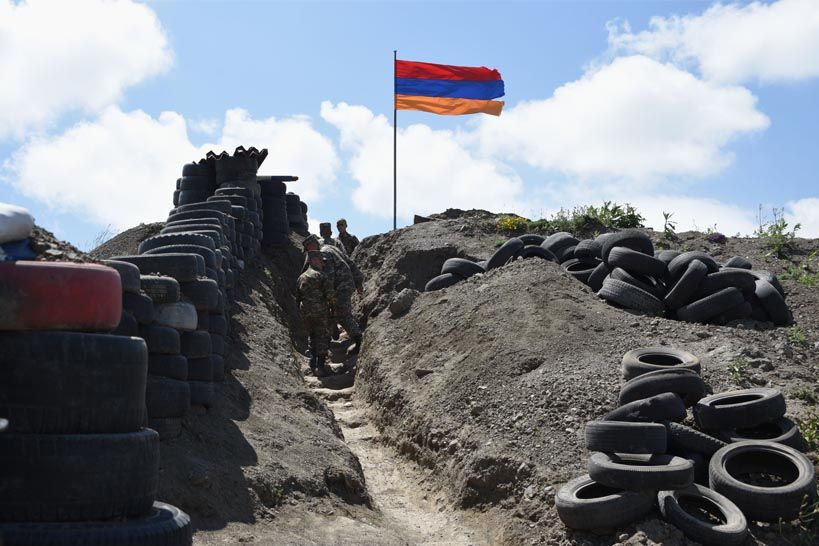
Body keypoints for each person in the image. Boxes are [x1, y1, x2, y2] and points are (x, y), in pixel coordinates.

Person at [302, 234, 364, 352]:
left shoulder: (323, 253)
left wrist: (327, 296)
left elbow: (328, 278)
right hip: (346, 284)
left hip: (341, 287)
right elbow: (350, 262)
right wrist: (358, 281)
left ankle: (359, 340)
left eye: (308, 249)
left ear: (313, 245)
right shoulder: (331, 247)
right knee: (339, 313)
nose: (309, 252)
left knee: (342, 314)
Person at [296, 249, 334, 377]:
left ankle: (312, 364)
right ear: (313, 260)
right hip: (320, 311)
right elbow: (330, 295)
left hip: (305, 312)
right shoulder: (321, 275)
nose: (323, 264)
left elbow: (298, 297)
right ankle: (320, 367)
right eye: (321, 261)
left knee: (312, 335)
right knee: (322, 337)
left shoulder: (301, 277)